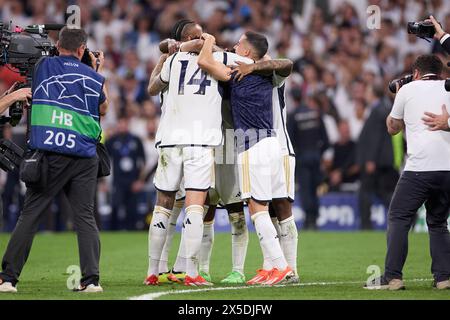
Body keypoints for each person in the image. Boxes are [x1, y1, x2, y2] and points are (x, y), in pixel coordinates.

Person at [0, 27, 108, 293]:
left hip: (52, 152)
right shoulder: (94, 77)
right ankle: (91, 280)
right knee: (85, 217)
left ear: (58, 46)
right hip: (85, 155)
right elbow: (103, 108)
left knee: (31, 214)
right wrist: (94, 69)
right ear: (82, 49)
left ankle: (8, 279)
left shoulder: (42, 66)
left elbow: (27, 65)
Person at [198, 31, 294, 286]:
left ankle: (282, 267)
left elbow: (205, 63)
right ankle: (272, 267)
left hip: (253, 148)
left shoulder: (237, 73)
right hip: (272, 143)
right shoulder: (266, 74)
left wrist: (207, 42)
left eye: (239, 44)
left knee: (257, 210)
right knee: (266, 208)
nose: (235, 45)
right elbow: (284, 63)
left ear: (247, 52)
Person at [366, 55, 450, 291]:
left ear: (415, 73)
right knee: (438, 222)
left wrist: (401, 98)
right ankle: (444, 278)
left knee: (399, 218)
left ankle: (393, 277)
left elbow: (392, 128)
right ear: (441, 71)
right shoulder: (448, 87)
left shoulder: (407, 89)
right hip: (447, 169)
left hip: (419, 169)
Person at [146, 20, 220, 287]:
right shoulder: (216, 58)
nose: (206, 37)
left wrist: (168, 54)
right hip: (199, 141)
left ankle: (153, 271)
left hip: (170, 140)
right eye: (201, 34)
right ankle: (190, 272)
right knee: (195, 206)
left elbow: (152, 88)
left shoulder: (173, 61)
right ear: (192, 36)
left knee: (163, 206)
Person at [357, 85, 400, 230]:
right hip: (381, 161)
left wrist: (370, 159)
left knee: (367, 192)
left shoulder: (378, 110)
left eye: (368, 91)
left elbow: (375, 138)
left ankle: (366, 225)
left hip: (375, 161)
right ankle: (402, 215)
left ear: (374, 94)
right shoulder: (381, 108)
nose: (366, 94)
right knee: (382, 192)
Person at [105, 114, 146, 230]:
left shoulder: (136, 140)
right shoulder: (111, 141)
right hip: (117, 181)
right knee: (115, 206)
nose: (122, 126)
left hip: (133, 180)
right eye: (120, 123)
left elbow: (142, 162)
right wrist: (104, 182)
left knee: (132, 208)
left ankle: (132, 230)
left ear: (128, 125)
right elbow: (104, 161)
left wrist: (140, 181)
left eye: (124, 123)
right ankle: (113, 231)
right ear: (117, 125)